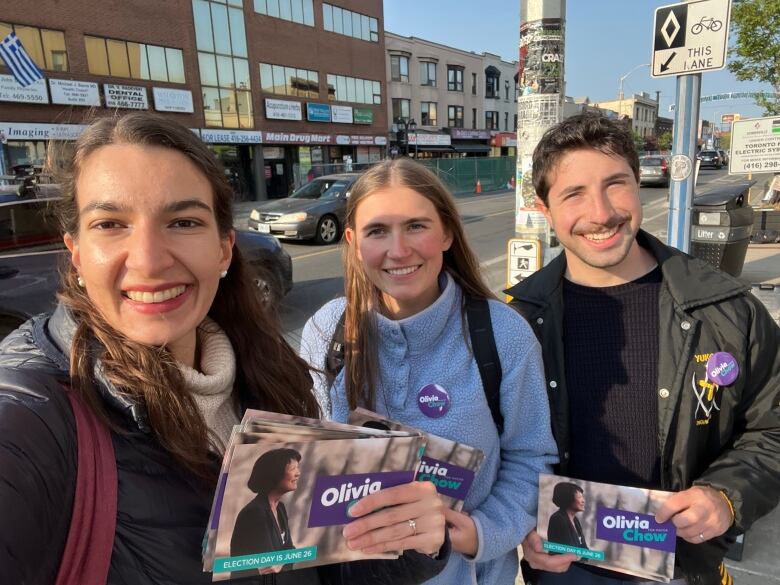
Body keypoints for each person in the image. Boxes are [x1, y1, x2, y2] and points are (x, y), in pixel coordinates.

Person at [0, 112, 449, 585]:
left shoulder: (266, 371)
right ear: (75, 252)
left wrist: (407, 538)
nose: (150, 260)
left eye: (183, 221)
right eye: (111, 224)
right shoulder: (33, 415)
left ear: (223, 248)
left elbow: (308, 566)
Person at [507, 114, 780, 585]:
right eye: (574, 194)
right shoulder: (515, 321)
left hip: (683, 564)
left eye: (616, 184)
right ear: (544, 209)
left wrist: (726, 496)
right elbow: (496, 450)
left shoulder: (727, 309)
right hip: (560, 566)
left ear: (639, 185)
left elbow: (772, 429)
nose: (601, 212)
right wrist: (515, 526)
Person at [299, 158, 558, 585]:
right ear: (352, 241)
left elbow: (531, 458)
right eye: (377, 231)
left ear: (447, 234)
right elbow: (311, 463)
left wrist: (480, 532)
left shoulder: (503, 333)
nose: (398, 251)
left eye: (416, 226)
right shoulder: (328, 330)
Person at [231, 449, 302, 574]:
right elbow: (270, 566)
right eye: (293, 469)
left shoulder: (280, 508)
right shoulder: (255, 513)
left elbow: (290, 549)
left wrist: (281, 561)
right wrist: (283, 560)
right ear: (275, 474)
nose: (298, 473)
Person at [546, 482, 586, 549]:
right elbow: (569, 549)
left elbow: (584, 547)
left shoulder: (575, 520)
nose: (583, 501)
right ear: (568, 498)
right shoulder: (557, 518)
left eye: (582, 497)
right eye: (579, 497)